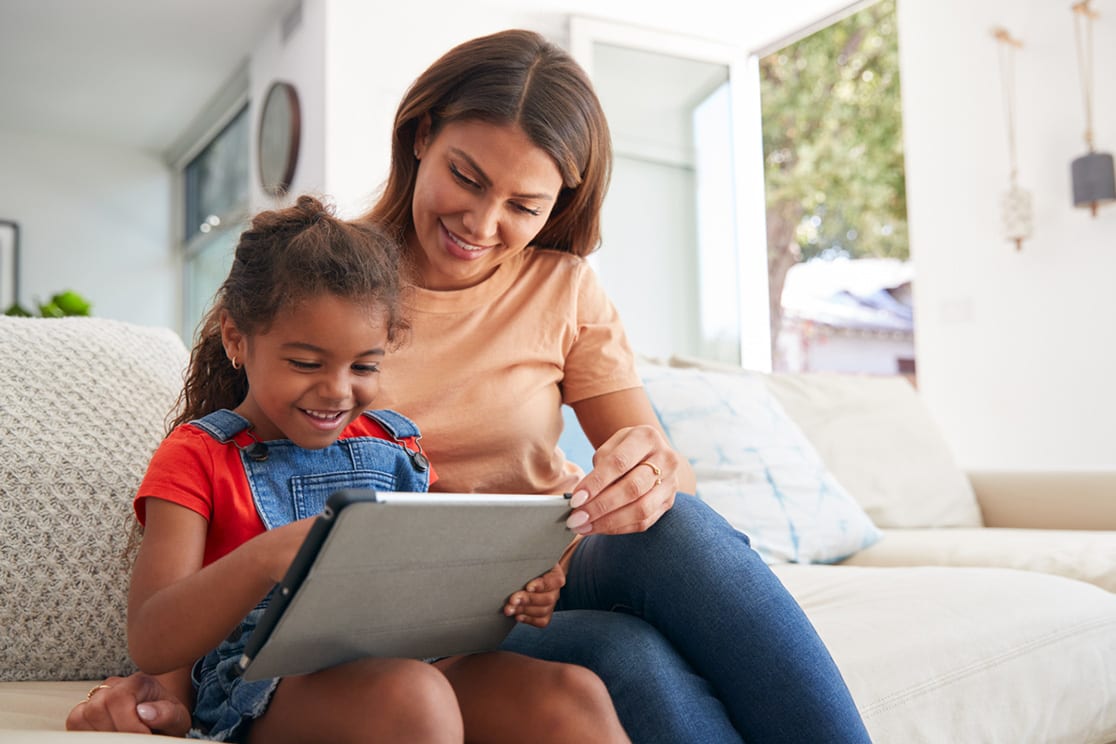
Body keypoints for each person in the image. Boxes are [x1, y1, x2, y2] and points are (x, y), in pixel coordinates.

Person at [69, 29, 872, 743]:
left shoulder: (564, 287)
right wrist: (163, 680)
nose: (483, 225)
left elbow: (665, 476)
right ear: (422, 136)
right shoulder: (327, 282)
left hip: (555, 561)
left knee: (684, 527)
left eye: (524, 205)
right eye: (467, 176)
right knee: (631, 658)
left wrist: (648, 471)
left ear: (559, 202)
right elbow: (236, 470)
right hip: (427, 603)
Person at [87, 194, 630, 743]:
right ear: (237, 339)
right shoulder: (197, 455)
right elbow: (152, 637)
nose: (337, 390)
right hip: (263, 684)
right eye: (305, 363)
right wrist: (268, 557)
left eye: (364, 365)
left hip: (416, 660)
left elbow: (432, 586)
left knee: (572, 696)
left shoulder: (395, 445)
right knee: (414, 699)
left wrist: (514, 591)